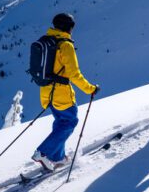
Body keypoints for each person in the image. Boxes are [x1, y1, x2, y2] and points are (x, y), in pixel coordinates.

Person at [32, 13, 99, 171]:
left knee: (60, 122)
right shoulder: (65, 45)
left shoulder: (48, 40)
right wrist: (91, 89)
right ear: (69, 27)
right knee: (69, 122)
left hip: (46, 92)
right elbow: (74, 74)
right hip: (61, 93)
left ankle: (58, 157)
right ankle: (44, 152)